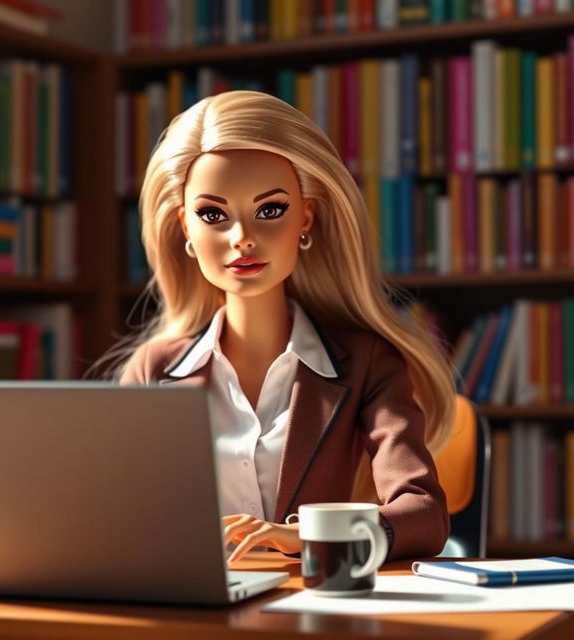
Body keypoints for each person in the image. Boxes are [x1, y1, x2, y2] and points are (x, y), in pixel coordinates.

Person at [114, 90, 456, 564]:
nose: (243, 238)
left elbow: (424, 514)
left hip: (309, 606)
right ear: (185, 228)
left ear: (306, 216)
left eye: (270, 209)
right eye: (213, 215)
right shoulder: (156, 368)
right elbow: (117, 512)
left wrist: (309, 538)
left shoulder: (365, 362)